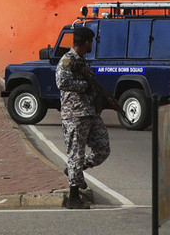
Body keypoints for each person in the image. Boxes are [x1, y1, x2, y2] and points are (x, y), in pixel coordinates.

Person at [55, 26, 120, 210]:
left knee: (103, 149)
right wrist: (84, 86)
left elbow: (94, 86)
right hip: (75, 114)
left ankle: (74, 170)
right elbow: (62, 82)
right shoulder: (67, 60)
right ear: (84, 43)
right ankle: (74, 198)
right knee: (76, 153)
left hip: (90, 113)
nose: (92, 45)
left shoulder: (83, 61)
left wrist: (107, 100)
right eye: (90, 42)